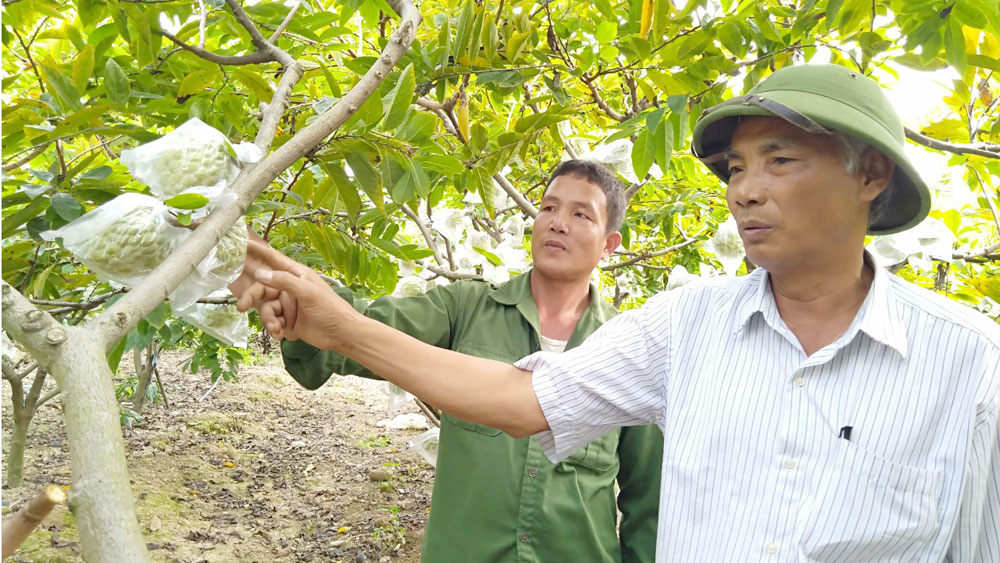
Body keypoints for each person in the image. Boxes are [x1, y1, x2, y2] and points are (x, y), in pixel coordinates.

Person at [242, 64, 1000, 561]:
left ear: (869, 173)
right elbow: (522, 398)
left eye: (780, 160)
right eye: (737, 168)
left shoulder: (969, 362)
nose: (745, 189)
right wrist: (332, 323)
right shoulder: (683, 327)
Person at [232, 160, 663, 562]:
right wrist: (284, 289)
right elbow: (361, 329)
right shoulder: (466, 307)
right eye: (548, 206)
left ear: (609, 245)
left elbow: (648, 500)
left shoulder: (626, 349)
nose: (557, 222)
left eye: (580, 214)